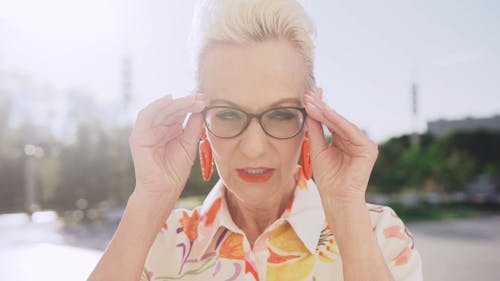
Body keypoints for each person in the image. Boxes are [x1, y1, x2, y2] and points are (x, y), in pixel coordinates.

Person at [89, 0, 423, 280]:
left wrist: (347, 211)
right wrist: (149, 198)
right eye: (228, 114)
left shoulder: (377, 233)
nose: (253, 147)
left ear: (312, 116)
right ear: (200, 120)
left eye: (280, 115)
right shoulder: (158, 242)